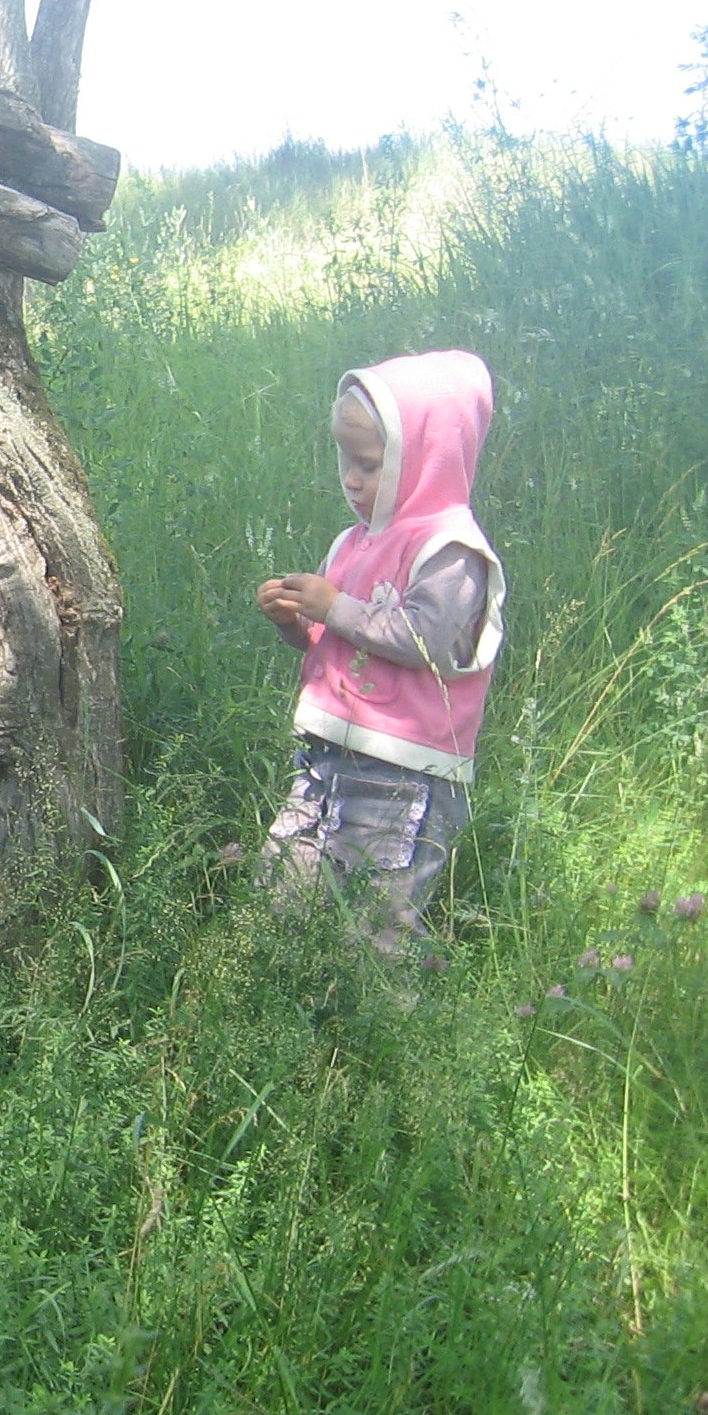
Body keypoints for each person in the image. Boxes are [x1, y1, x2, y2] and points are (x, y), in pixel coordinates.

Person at [254, 349, 506, 958]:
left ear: (428, 461)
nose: (351, 479)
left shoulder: (450, 549)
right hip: (326, 758)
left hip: (403, 772)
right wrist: (296, 624)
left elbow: (426, 641)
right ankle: (285, 993)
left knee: (376, 923)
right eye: (345, 458)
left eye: (369, 464)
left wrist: (333, 605)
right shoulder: (356, 541)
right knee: (282, 889)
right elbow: (336, 642)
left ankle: (383, 1014)